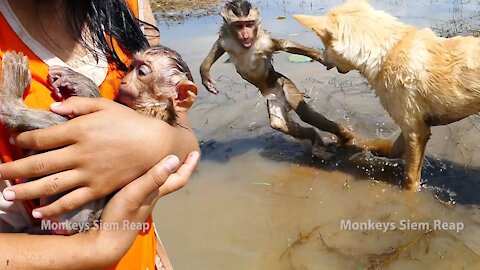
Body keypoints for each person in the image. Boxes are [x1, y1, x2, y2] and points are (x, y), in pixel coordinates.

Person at [0, 0, 199, 269]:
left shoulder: (130, 7)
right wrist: (95, 248)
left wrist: (160, 141)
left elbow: (186, 140)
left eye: (139, 71)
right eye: (135, 68)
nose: (129, 78)